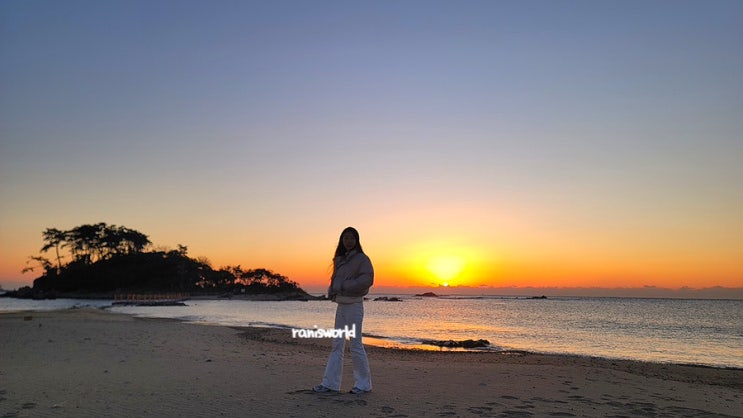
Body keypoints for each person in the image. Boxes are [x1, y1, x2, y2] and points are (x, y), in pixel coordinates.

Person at [313, 226, 374, 394]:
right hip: (341, 305)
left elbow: (367, 280)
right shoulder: (340, 259)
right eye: (346, 238)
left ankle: (363, 384)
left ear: (357, 240)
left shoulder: (362, 259)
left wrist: (343, 286)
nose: (349, 241)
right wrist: (333, 290)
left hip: (354, 306)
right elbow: (336, 281)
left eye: (352, 238)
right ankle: (330, 384)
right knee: (337, 344)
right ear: (342, 240)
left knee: (355, 344)